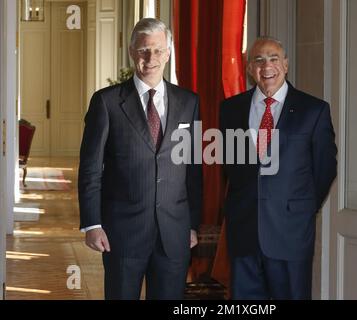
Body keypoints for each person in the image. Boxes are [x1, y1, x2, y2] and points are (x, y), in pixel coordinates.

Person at [78, 18, 202, 300]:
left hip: (174, 233)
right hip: (122, 233)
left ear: (168, 54)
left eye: (158, 51)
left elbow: (193, 168)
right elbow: (91, 168)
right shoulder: (107, 102)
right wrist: (92, 224)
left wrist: (193, 223)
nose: (151, 58)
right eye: (144, 50)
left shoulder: (189, 102)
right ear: (133, 53)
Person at [219, 37, 337, 299]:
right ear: (250, 69)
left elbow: (325, 168)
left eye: (273, 58)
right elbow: (231, 167)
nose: (266, 65)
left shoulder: (313, 110)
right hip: (244, 232)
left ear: (285, 65)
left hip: (290, 232)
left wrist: (300, 205)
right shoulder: (230, 109)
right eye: (258, 60)